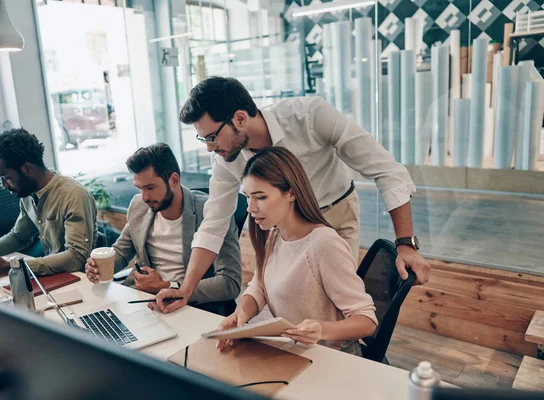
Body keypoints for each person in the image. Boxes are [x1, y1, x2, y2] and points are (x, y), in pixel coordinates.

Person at [155, 76, 430, 313]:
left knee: (332, 306)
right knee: (285, 300)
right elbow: (213, 223)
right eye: (203, 140)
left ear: (239, 118)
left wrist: (405, 244)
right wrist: (186, 289)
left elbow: (388, 171)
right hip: (281, 229)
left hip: (334, 214)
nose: (209, 148)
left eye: (212, 136)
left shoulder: (310, 116)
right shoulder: (227, 158)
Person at [217, 147, 377, 355]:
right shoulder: (274, 236)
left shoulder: (324, 244)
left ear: (291, 192)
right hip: (294, 351)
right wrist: (240, 315)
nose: (250, 208)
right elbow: (258, 288)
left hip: (331, 356)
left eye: (261, 197)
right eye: (248, 197)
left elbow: (367, 321)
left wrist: (322, 330)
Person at [84, 143, 241, 310]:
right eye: (140, 188)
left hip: (192, 306)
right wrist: (99, 267)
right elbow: (122, 253)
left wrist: (168, 285)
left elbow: (230, 282)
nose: (144, 197)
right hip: (144, 300)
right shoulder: (139, 206)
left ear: (174, 180)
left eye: (150, 187)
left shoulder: (213, 213)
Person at [0, 129, 98, 278]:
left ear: (27, 168)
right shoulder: (28, 194)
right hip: (52, 278)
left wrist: (11, 267)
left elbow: (76, 258)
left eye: (7, 177)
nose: (3, 185)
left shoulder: (73, 194)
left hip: (81, 281)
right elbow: (18, 237)